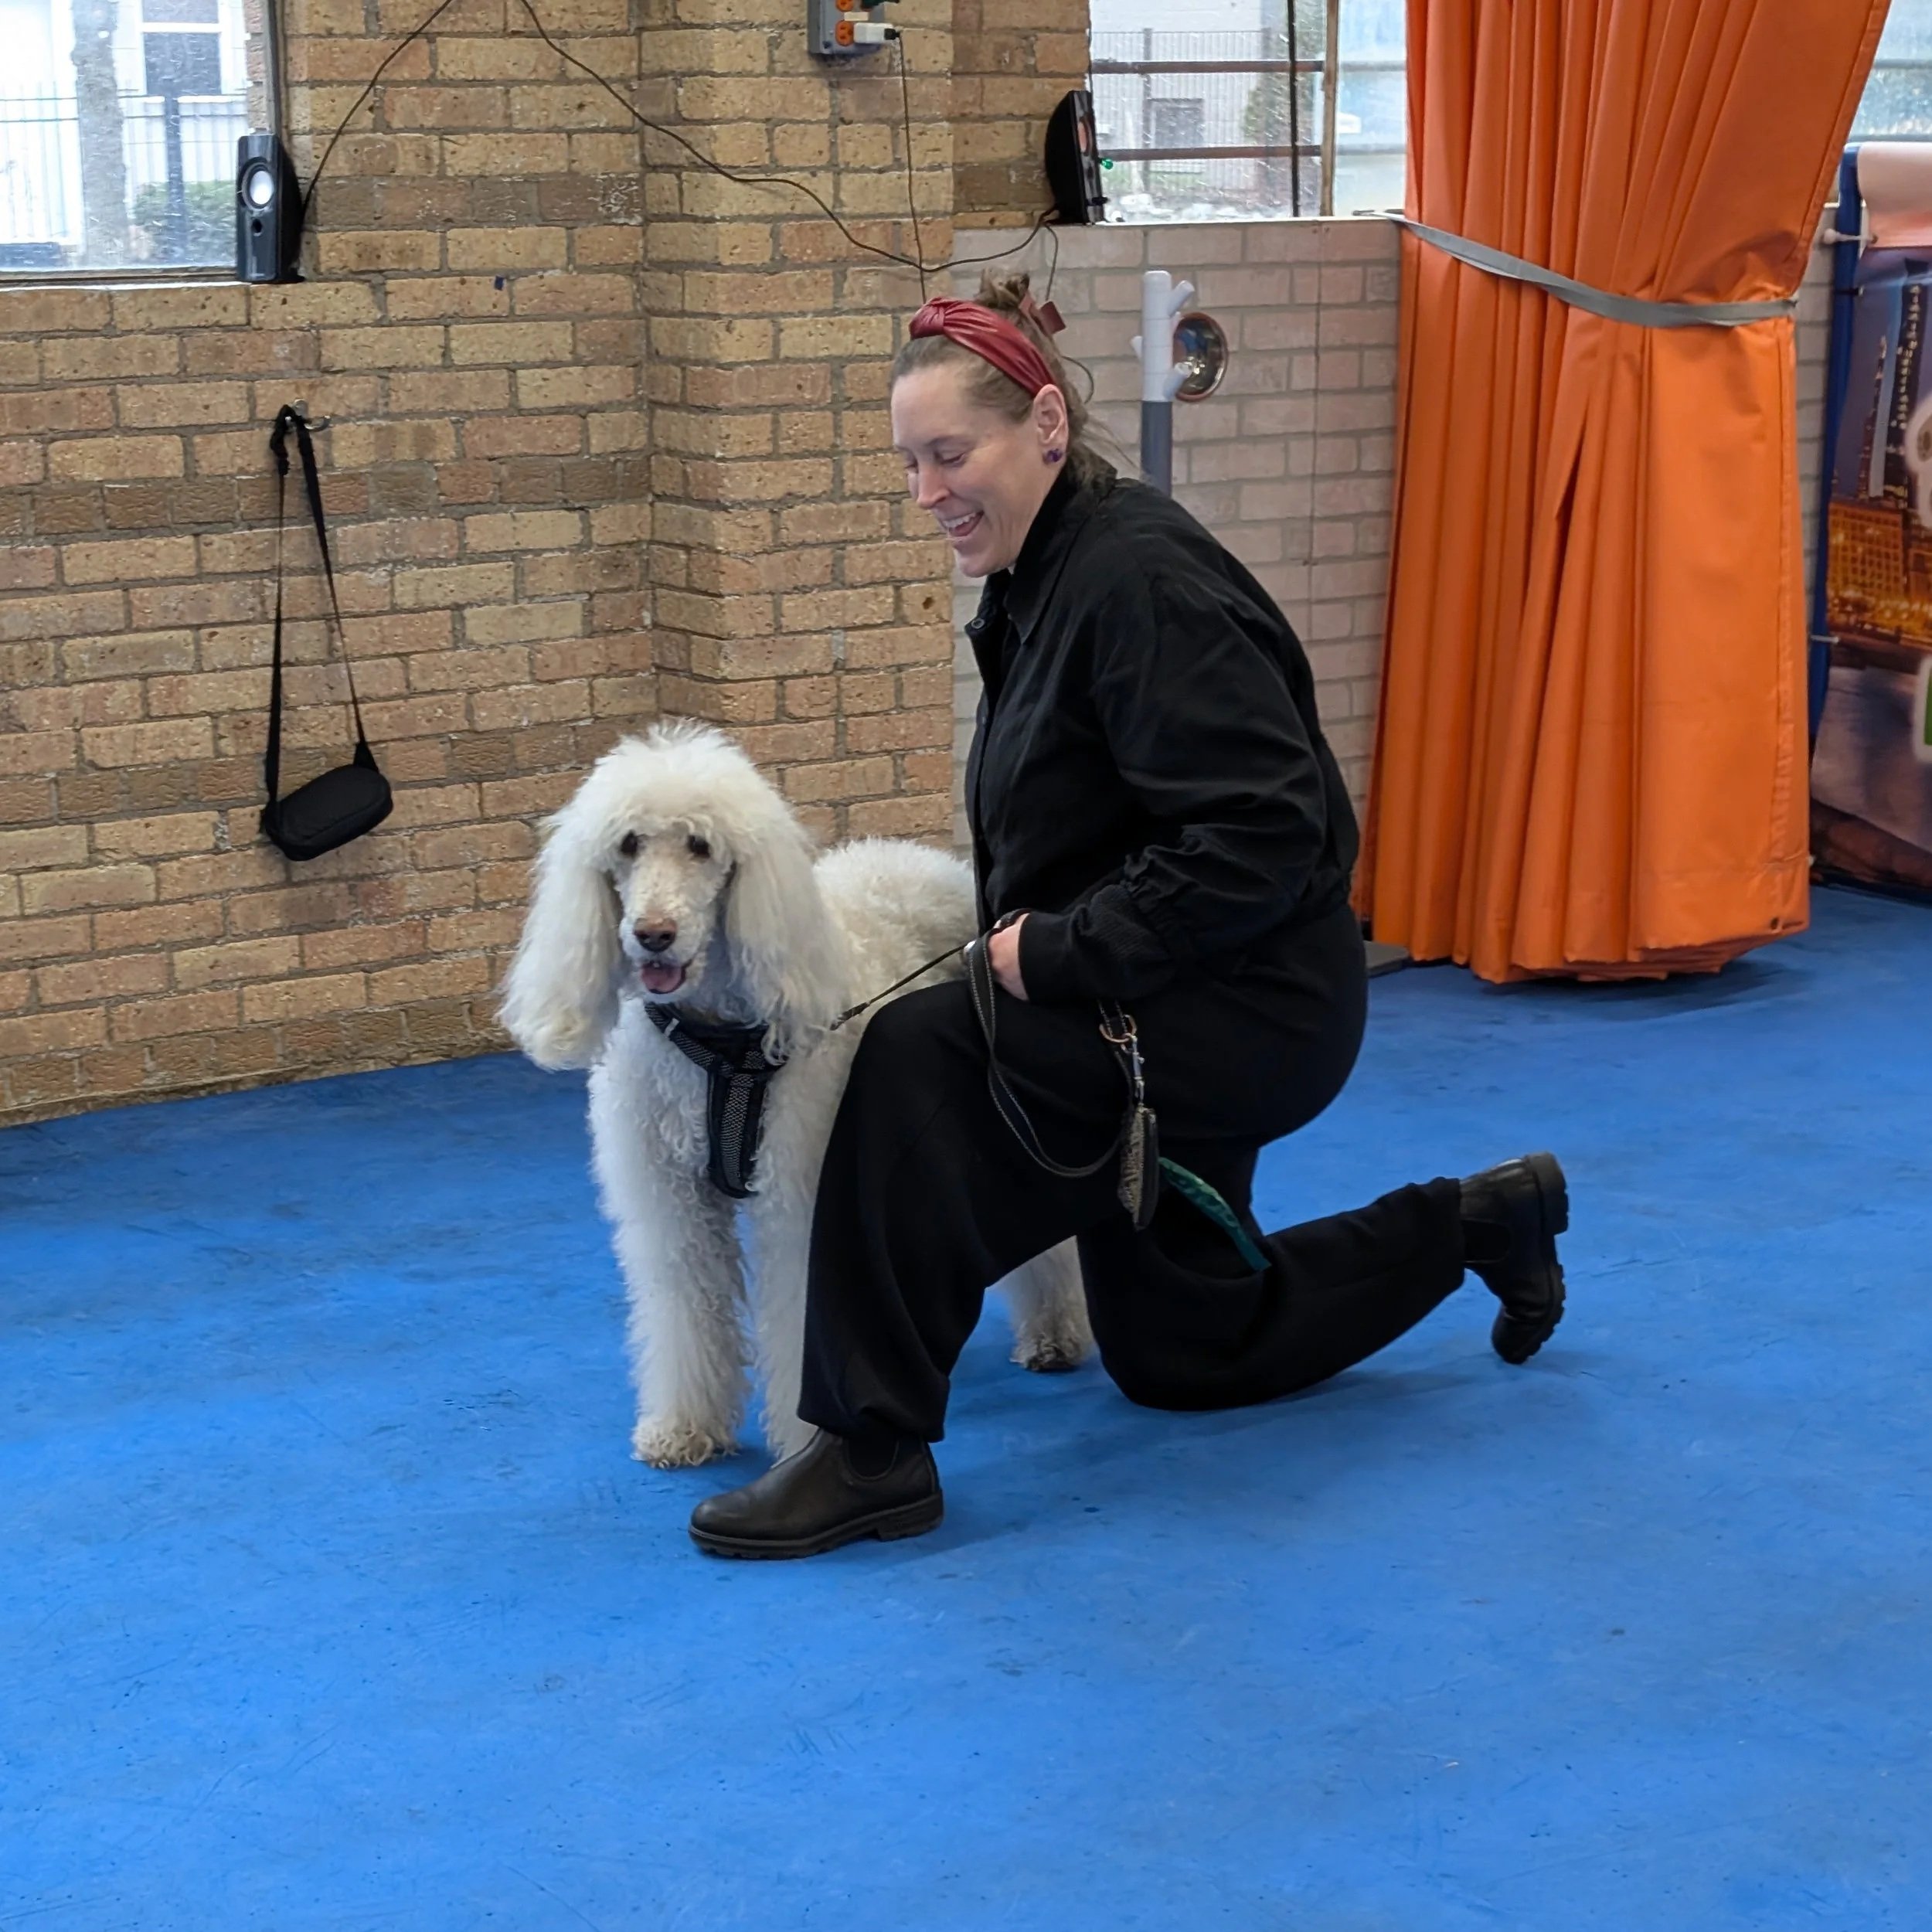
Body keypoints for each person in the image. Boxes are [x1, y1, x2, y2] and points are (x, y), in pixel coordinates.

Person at [687, 271, 1571, 1560]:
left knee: (921, 1061)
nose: (927, 490)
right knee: (1185, 1350)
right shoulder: (1046, 574)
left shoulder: (1138, 586)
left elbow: (1272, 834)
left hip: (1242, 1007)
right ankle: (1482, 1219)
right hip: (1169, 986)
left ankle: (871, 1446)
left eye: (951, 453)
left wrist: (1061, 948)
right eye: (910, 462)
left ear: (1045, 427)